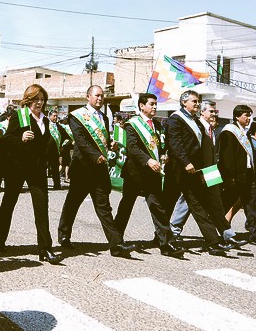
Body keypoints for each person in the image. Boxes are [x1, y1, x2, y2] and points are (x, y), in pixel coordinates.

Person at [56, 85, 135, 257]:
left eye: (102, 96)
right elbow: (81, 140)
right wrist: (95, 156)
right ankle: (63, 235)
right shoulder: (77, 116)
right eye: (96, 95)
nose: (100, 98)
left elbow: (104, 141)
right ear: (88, 97)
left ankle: (116, 244)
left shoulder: (104, 118)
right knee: (72, 204)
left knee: (104, 207)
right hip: (82, 168)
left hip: (99, 170)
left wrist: (110, 145)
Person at [162, 90, 237, 255]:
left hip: (193, 171)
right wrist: (186, 162)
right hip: (178, 170)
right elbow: (175, 143)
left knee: (199, 206)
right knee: (166, 206)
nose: (196, 104)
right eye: (194, 101)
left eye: (197, 102)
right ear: (184, 102)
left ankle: (213, 242)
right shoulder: (176, 119)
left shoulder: (194, 120)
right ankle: (162, 238)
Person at [0, 84, 61, 264]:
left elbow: (47, 145)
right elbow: (6, 140)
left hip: (37, 170)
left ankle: (45, 248)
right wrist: (20, 139)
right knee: (9, 202)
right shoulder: (19, 116)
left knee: (41, 207)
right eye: (36, 99)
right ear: (28, 100)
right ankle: (0, 239)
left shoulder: (45, 120)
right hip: (16, 168)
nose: (39, 103)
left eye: (42, 99)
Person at [114, 93, 181, 258]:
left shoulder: (157, 125)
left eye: (156, 104)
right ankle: (115, 241)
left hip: (153, 174)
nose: (155, 107)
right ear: (142, 106)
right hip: (135, 173)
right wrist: (148, 160)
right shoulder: (132, 124)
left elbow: (159, 145)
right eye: (151, 104)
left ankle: (166, 244)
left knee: (158, 208)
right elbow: (132, 147)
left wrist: (164, 155)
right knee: (126, 207)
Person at [219, 105, 256, 248]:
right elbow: (226, 156)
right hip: (234, 176)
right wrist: (230, 176)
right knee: (224, 205)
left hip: (248, 175)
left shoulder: (246, 133)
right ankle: (217, 233)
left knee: (253, 206)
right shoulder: (229, 131)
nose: (248, 118)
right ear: (237, 116)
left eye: (249, 115)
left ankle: (255, 235)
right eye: (245, 115)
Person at [46, 109, 67, 189]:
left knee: (55, 168)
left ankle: (57, 185)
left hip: (55, 151)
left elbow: (65, 136)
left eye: (56, 116)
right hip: (46, 149)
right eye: (54, 116)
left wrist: (63, 146)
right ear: (50, 116)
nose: (55, 118)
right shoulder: (46, 124)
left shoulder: (59, 126)